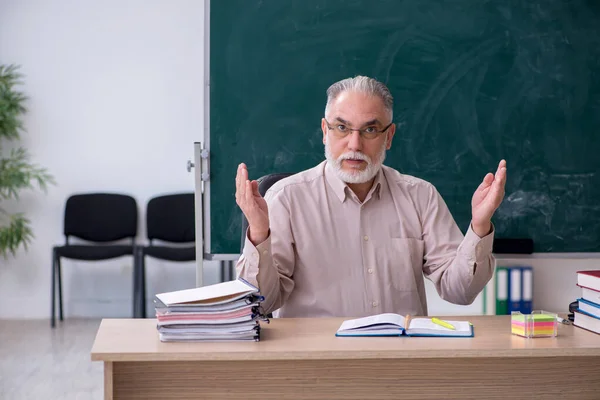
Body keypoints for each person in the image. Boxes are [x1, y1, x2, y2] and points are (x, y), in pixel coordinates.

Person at [235, 75, 507, 318]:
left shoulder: (420, 196)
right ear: (324, 131)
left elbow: (459, 292)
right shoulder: (286, 199)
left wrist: (479, 227)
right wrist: (259, 232)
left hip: (400, 360)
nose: (354, 145)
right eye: (342, 128)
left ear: (389, 136)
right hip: (317, 363)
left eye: (370, 130)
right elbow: (261, 303)